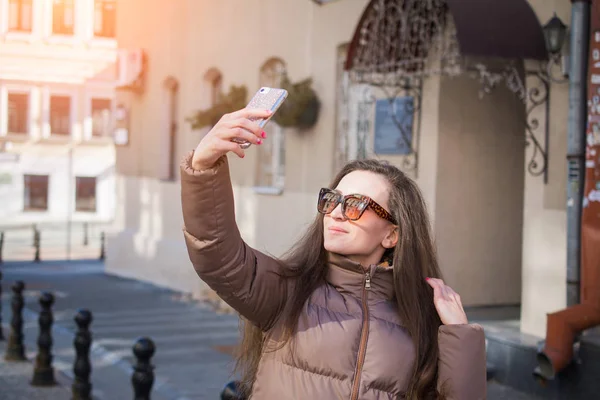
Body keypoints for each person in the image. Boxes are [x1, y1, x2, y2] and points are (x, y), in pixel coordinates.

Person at [181, 108, 486, 399]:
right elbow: (216, 253)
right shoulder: (288, 291)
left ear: (392, 234)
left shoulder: (421, 317)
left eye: (355, 205)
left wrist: (460, 334)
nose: (336, 213)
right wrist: (204, 167)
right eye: (333, 200)